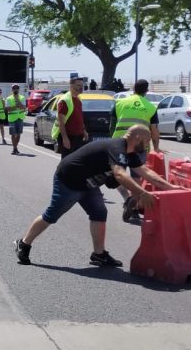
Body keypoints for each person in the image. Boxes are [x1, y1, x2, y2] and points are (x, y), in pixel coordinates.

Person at [14, 125, 179, 267]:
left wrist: (172, 188)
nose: (148, 145)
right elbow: (120, 175)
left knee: (99, 213)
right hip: (69, 180)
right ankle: (23, 243)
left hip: (88, 183)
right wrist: (141, 193)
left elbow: (147, 172)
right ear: (137, 137)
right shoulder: (117, 147)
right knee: (52, 215)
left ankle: (98, 255)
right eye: (147, 140)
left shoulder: (130, 153)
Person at [111, 79, 161, 223]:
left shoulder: (120, 103)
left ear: (133, 88)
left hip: (119, 144)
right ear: (146, 90)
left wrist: (109, 140)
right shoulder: (150, 107)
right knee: (137, 177)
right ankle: (134, 207)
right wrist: (156, 146)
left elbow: (111, 125)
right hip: (140, 146)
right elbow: (154, 130)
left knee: (115, 175)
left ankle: (127, 199)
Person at [54, 77, 88, 158]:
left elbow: (79, 117)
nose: (81, 87)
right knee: (66, 162)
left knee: (76, 162)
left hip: (78, 136)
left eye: (82, 85)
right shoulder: (65, 101)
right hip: (69, 136)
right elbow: (61, 122)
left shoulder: (78, 99)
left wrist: (84, 130)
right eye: (78, 85)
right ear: (71, 86)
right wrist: (65, 138)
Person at [5, 83, 26, 155]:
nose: (15, 89)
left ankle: (15, 147)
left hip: (20, 118)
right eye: (14, 88)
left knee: (19, 134)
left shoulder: (22, 97)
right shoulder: (8, 98)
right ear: (12, 89)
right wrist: (16, 106)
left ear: (19, 89)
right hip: (12, 118)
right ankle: (14, 148)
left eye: (17, 88)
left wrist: (17, 100)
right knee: (13, 134)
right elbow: (8, 109)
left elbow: (23, 107)